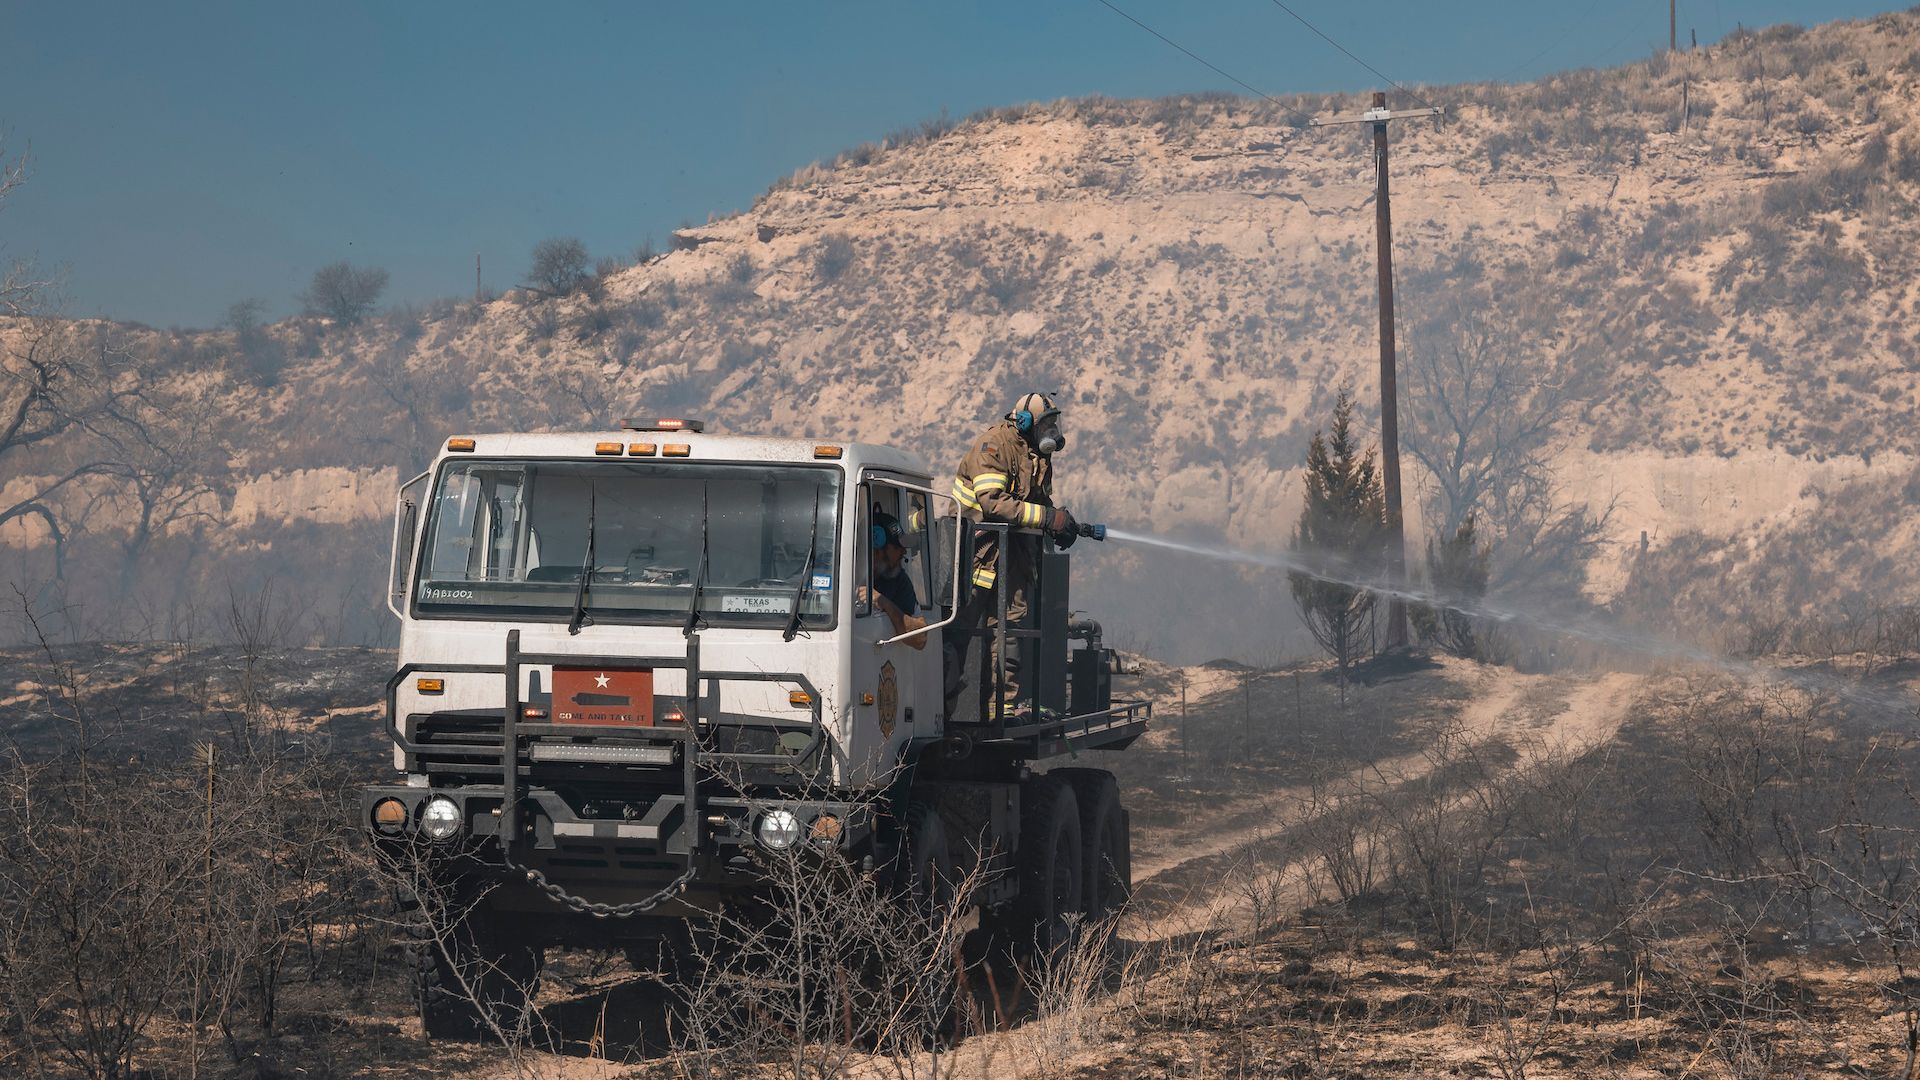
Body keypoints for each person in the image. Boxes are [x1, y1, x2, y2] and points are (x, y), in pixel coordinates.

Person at [947, 392, 1079, 718]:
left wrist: (1058, 524)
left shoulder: (1035, 456)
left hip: (1012, 556)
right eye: (1045, 424)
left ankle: (999, 710)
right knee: (958, 632)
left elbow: (1036, 502)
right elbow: (993, 503)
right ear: (1024, 422)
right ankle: (941, 707)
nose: (1052, 430)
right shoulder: (993, 447)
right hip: (976, 554)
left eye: (1054, 423)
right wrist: (1047, 519)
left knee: (1008, 633)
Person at [858, 509, 928, 650]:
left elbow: (921, 639)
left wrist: (885, 603)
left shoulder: (898, 580)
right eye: (897, 547)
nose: (903, 552)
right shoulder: (840, 572)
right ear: (877, 548)